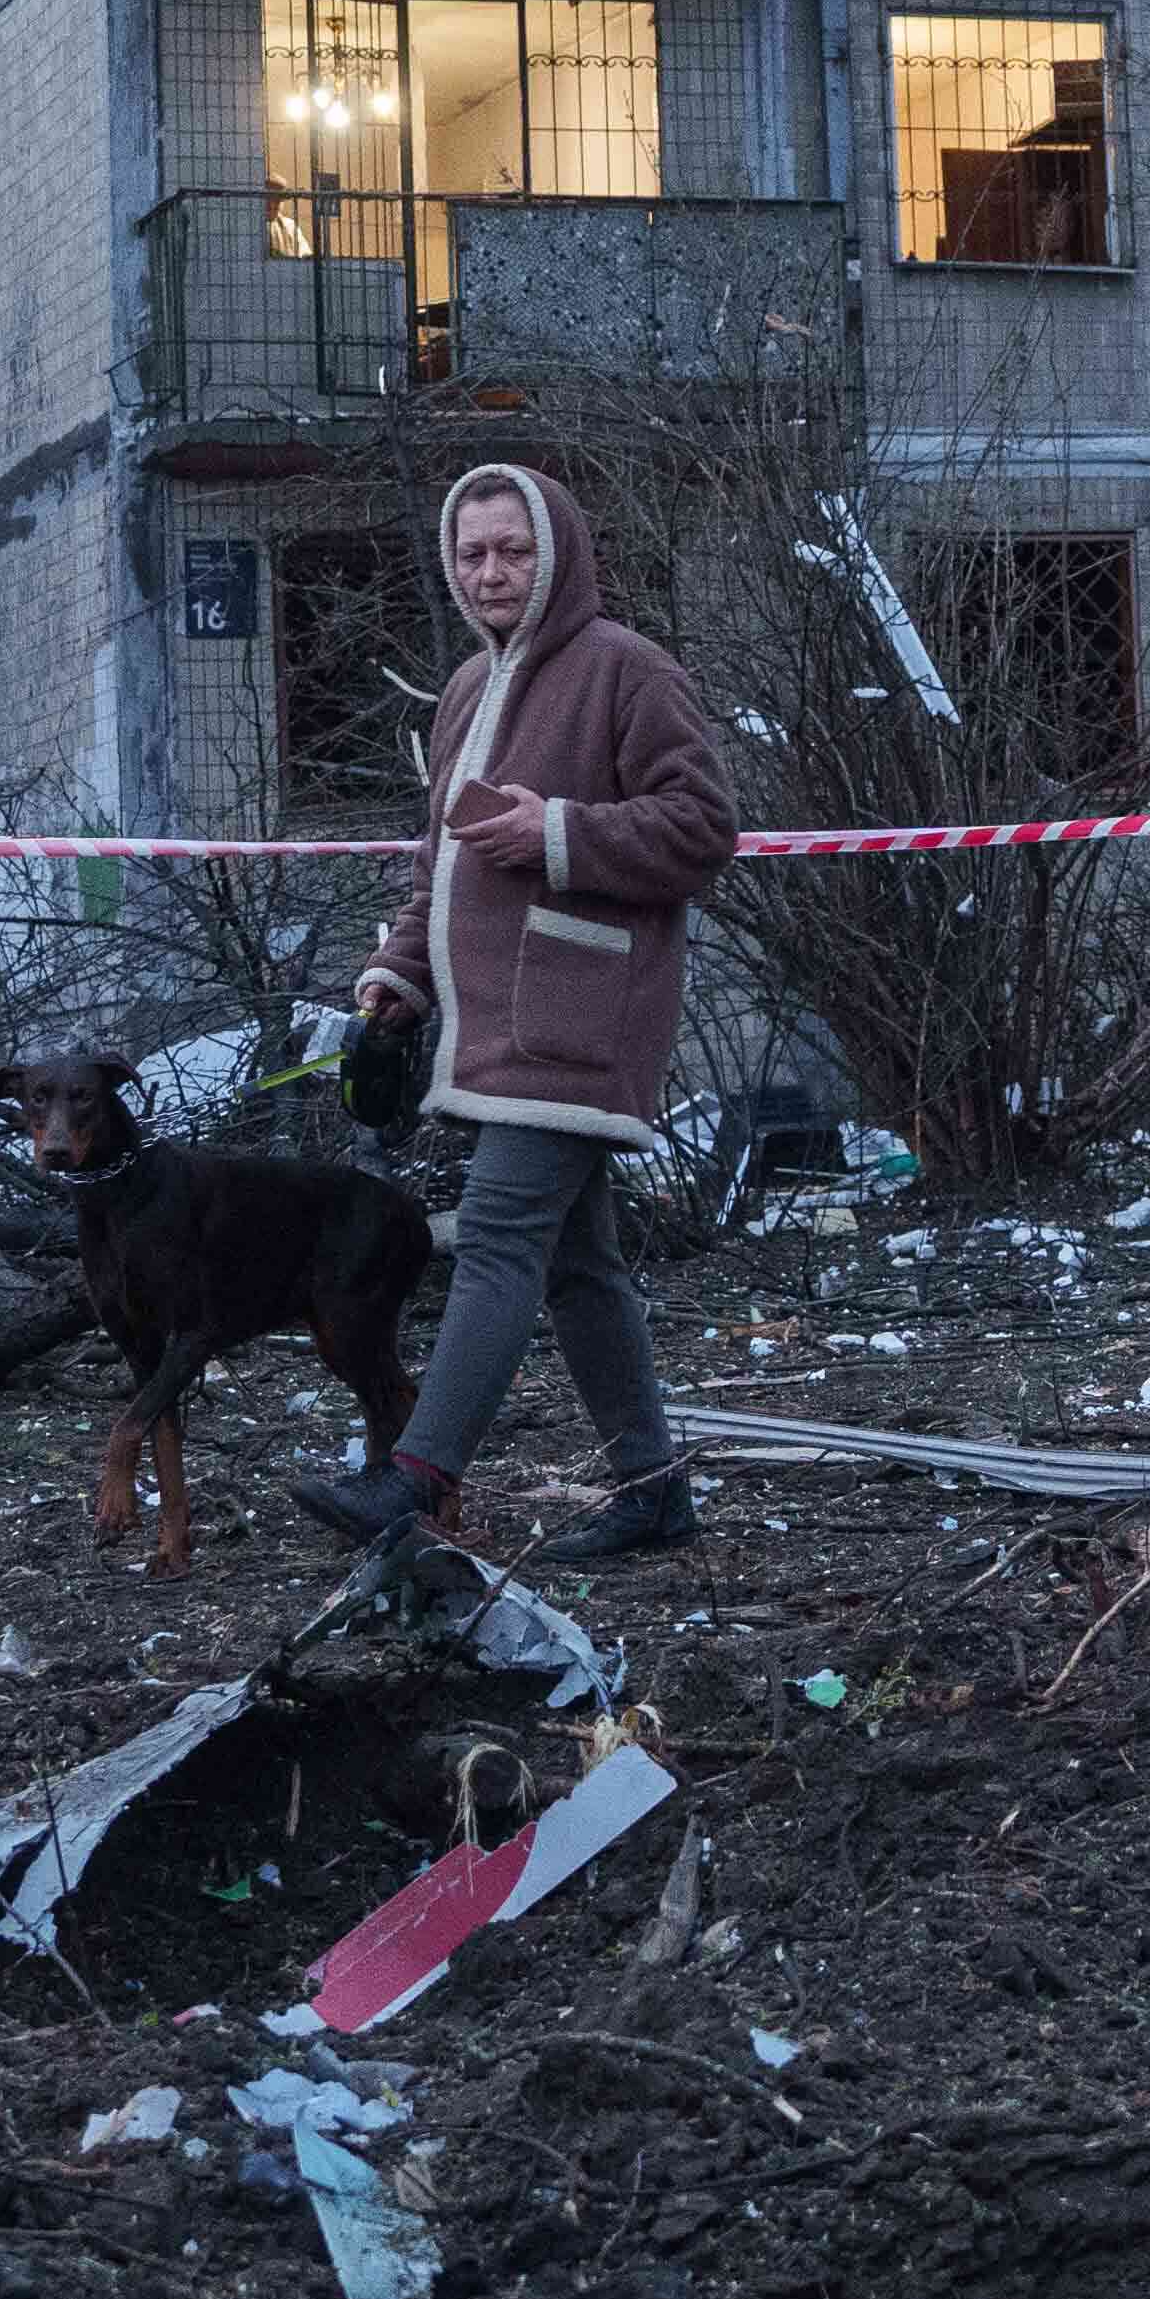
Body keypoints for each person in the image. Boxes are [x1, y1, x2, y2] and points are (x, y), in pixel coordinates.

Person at [297, 458, 737, 1568]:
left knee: (494, 1237)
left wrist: (560, 833)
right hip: (495, 1027)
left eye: (514, 549)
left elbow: (701, 830)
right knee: (578, 1263)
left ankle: (415, 1478)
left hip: (583, 1017)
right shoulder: (463, 692)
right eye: (473, 552)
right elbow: (441, 865)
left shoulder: (626, 671)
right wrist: (400, 973)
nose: (492, 572)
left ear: (561, 553)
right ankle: (653, 1488)